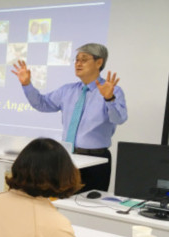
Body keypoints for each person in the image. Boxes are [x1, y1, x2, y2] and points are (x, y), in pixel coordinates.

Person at [12, 43, 128, 192]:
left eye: (84, 59)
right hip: (67, 157)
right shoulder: (67, 90)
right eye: (77, 60)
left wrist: (109, 99)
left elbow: (119, 119)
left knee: (90, 202)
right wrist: (27, 85)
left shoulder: (113, 91)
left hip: (96, 160)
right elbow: (41, 104)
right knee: (63, 198)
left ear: (99, 62)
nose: (78, 64)